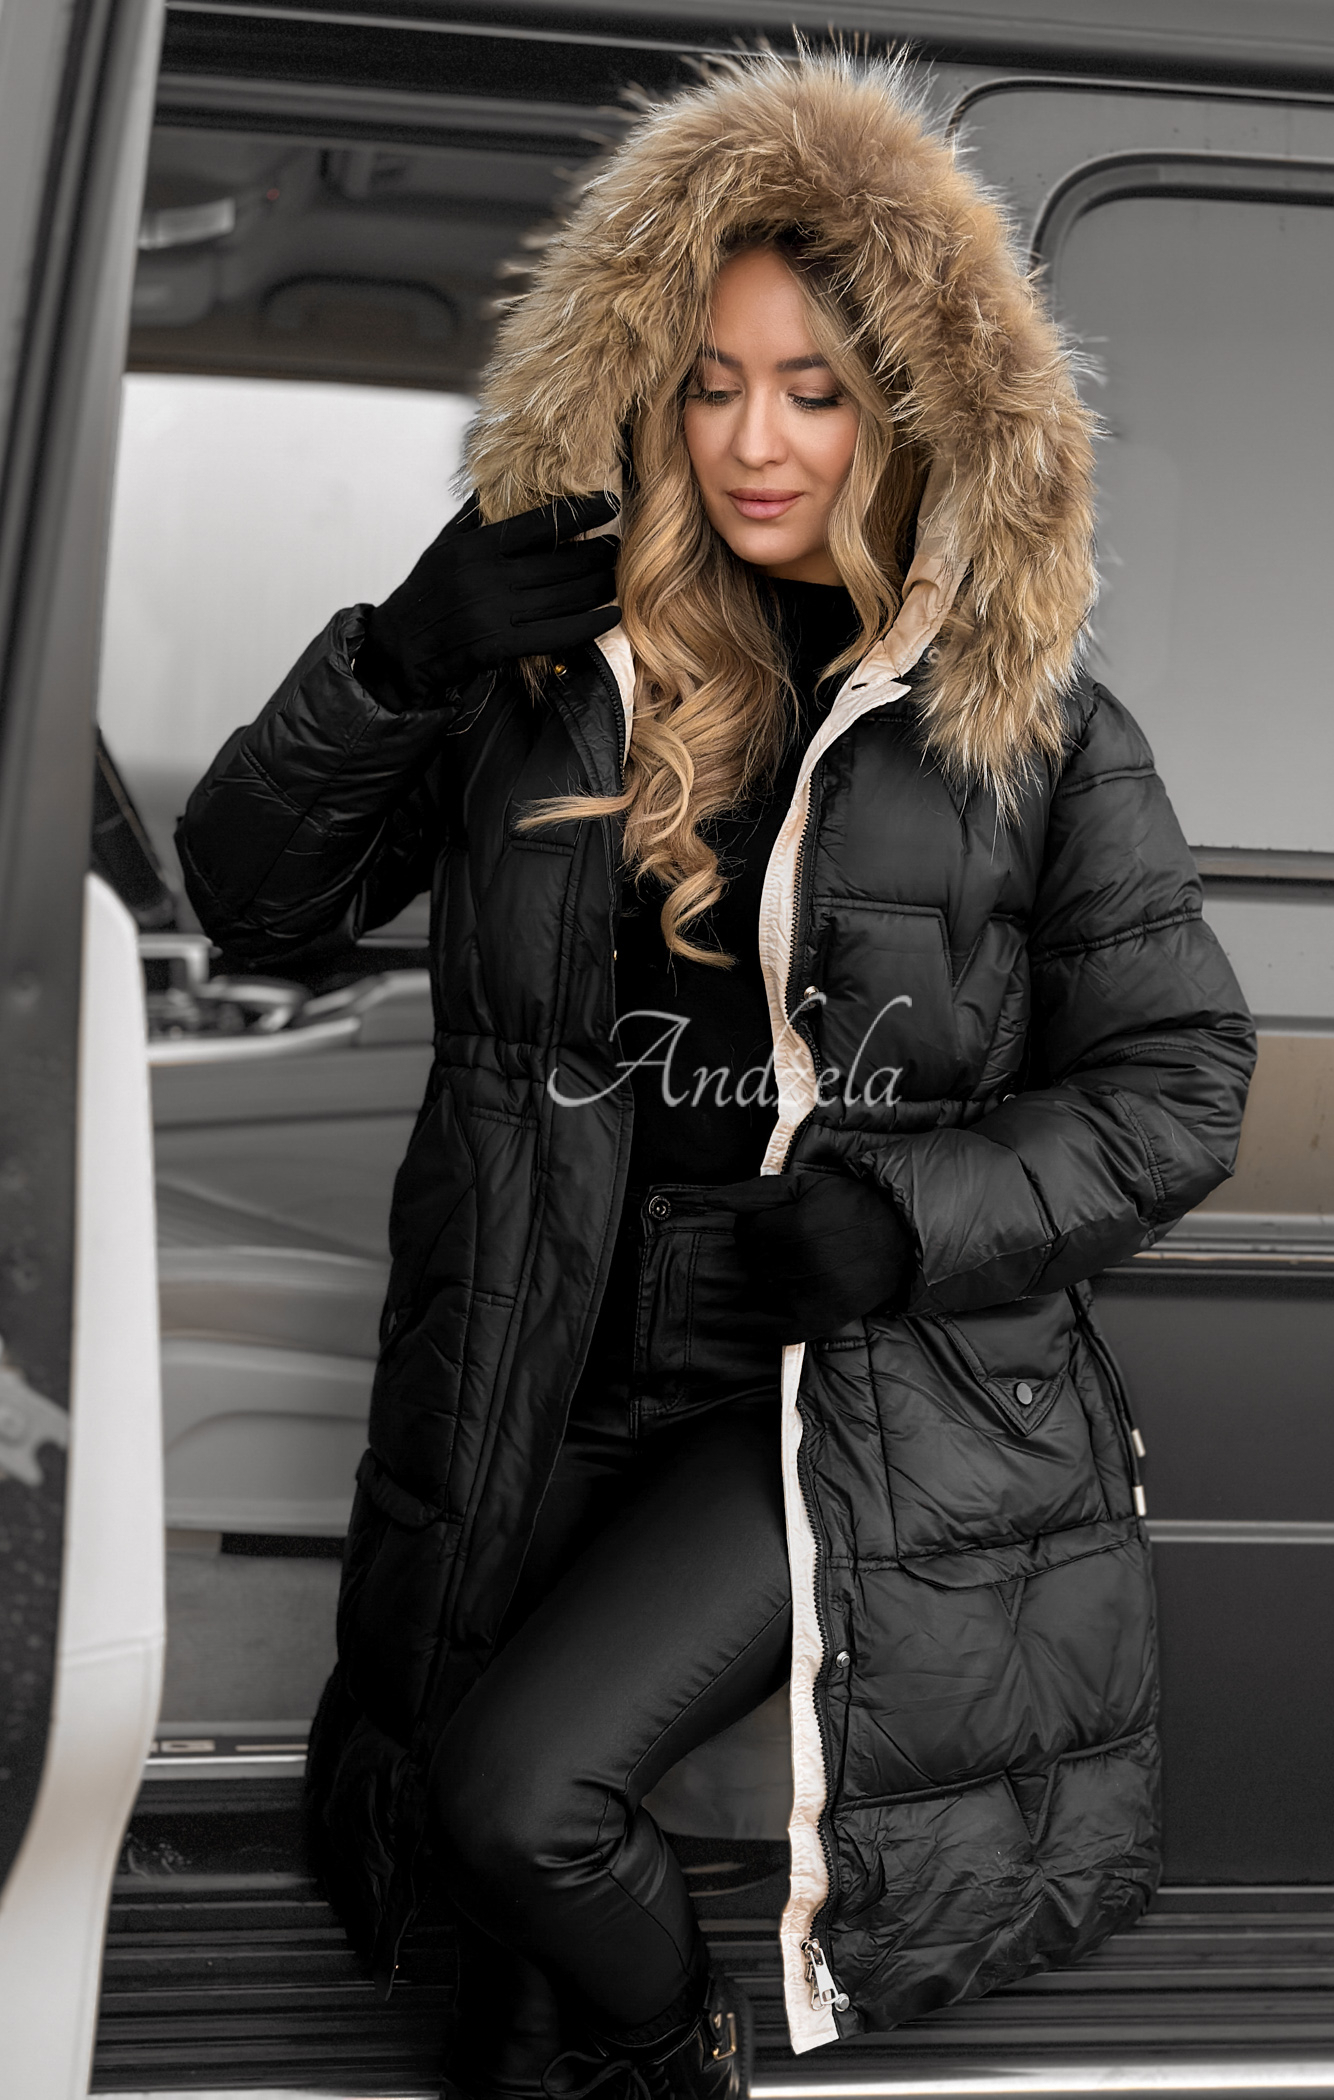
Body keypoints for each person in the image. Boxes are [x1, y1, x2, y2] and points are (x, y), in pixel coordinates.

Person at [176, 53, 1255, 2100]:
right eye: (711, 383)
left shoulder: (1024, 728)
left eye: (814, 390)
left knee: (518, 1798)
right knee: (492, 1968)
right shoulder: (544, 673)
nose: (755, 440)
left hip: (830, 1372)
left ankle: (684, 2061)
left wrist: (904, 1219)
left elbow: (1181, 1080)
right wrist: (396, 659)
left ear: (909, 409)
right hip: (547, 1333)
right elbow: (254, 901)